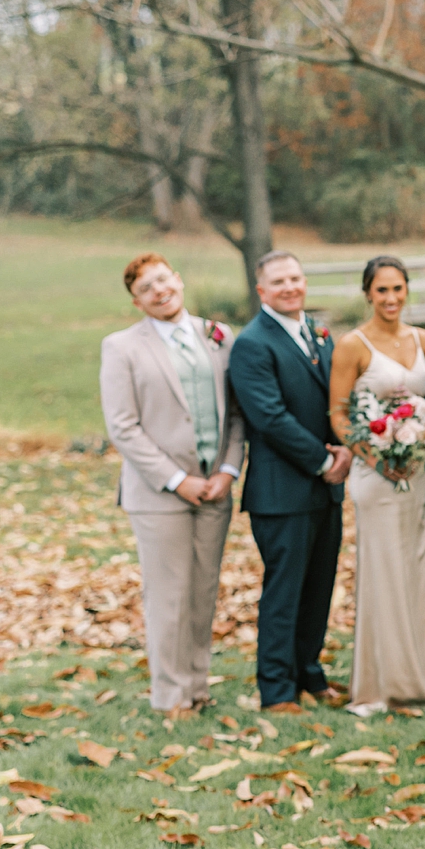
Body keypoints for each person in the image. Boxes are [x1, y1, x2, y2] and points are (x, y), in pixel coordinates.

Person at [99, 252, 245, 715]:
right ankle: (169, 695)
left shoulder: (218, 337)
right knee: (168, 595)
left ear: (178, 280)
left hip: (215, 488)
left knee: (203, 592)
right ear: (138, 303)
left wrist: (227, 470)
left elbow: (238, 414)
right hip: (159, 494)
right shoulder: (122, 347)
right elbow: (123, 426)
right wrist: (177, 480)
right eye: (146, 289)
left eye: (163, 280)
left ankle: (197, 688)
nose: (159, 291)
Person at [326, 256, 425, 716]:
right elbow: (339, 415)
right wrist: (376, 456)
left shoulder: (423, 339)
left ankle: (424, 677)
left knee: (417, 566)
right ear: (367, 294)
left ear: (406, 291)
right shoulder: (352, 345)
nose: (390, 298)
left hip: (415, 472)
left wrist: (418, 445)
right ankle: (379, 682)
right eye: (381, 290)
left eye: (397, 289)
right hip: (374, 475)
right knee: (383, 572)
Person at [228, 251, 352, 714]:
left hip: (326, 485)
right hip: (282, 491)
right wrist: (323, 460)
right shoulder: (252, 343)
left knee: (319, 587)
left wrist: (346, 447)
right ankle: (277, 688)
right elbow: (269, 417)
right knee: (285, 591)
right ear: (261, 290)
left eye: (296, 278)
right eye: (278, 281)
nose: (289, 287)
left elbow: (336, 402)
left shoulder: (319, 334)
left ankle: (309, 673)